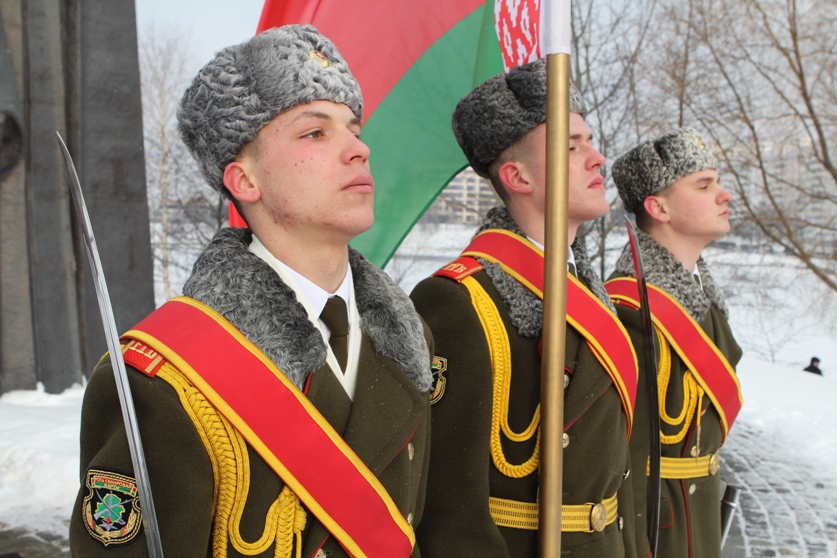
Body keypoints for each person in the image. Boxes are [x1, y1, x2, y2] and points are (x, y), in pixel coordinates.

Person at [69, 25, 433, 558]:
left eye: (354, 129)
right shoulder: (162, 377)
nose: (359, 149)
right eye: (316, 133)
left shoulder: (409, 337)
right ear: (244, 181)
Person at [411, 60, 639, 557]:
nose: (598, 159)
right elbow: (450, 511)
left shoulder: (590, 293)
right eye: (572, 147)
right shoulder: (458, 300)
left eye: (590, 141)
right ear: (518, 176)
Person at [605, 128, 744, 558]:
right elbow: (624, 460)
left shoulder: (702, 300)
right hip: (660, 530)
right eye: (704, 185)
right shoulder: (630, 309)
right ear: (658, 207)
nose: (724, 195)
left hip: (698, 522)